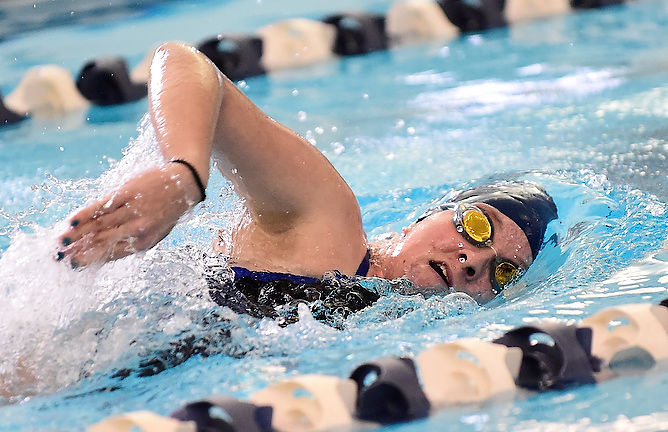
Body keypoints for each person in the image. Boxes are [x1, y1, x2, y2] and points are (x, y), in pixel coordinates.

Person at [56, 41, 557, 312]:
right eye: (476, 227)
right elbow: (185, 61)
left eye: (503, 272)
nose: (474, 262)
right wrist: (183, 177)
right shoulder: (328, 221)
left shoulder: (389, 320)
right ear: (426, 216)